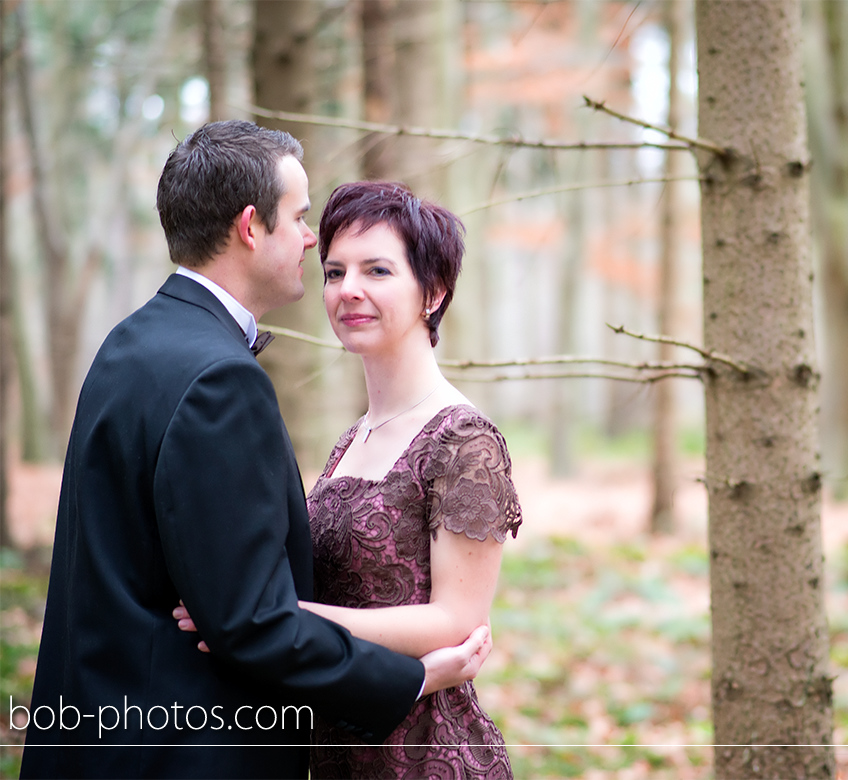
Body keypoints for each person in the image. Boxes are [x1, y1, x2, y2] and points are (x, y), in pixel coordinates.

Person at [20, 122, 489, 780]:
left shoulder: (130, 344)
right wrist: (410, 680)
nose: (307, 237)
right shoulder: (220, 379)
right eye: (299, 219)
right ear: (250, 226)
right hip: (179, 751)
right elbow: (251, 624)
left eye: (376, 269)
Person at [178, 181, 522, 778]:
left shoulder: (464, 441)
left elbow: (458, 623)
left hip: (424, 753)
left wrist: (281, 619)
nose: (349, 291)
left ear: (433, 293)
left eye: (378, 270)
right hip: (338, 745)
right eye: (335, 272)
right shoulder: (351, 439)